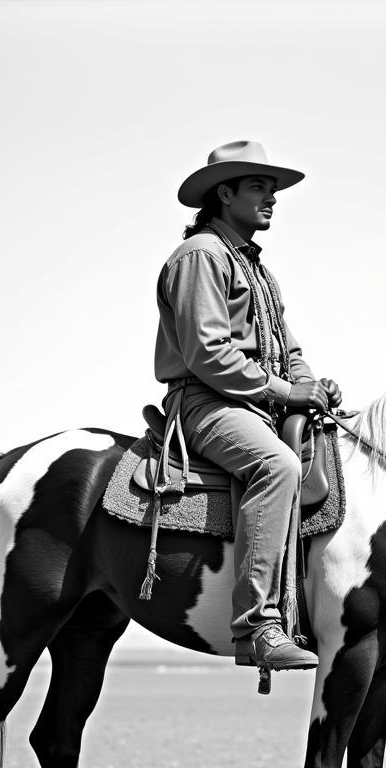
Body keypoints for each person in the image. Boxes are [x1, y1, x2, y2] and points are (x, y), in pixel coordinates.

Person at [154, 140, 341, 671]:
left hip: (256, 402)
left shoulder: (257, 269)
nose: (273, 198)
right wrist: (286, 393)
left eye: (273, 188)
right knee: (276, 464)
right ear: (225, 193)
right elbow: (208, 352)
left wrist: (310, 386)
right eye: (260, 186)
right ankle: (257, 626)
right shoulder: (201, 257)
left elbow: (290, 350)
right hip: (207, 401)